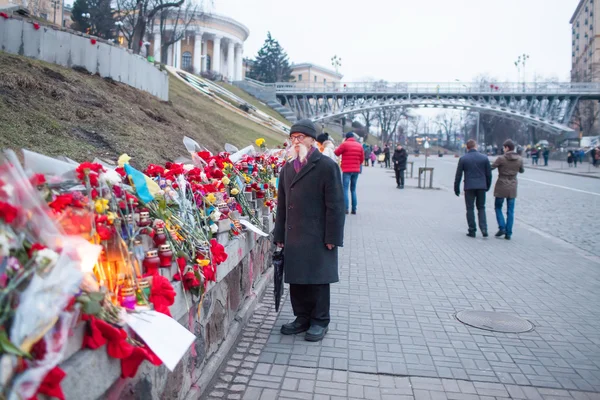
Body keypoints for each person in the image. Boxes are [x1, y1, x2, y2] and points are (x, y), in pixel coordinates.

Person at [274, 119, 345, 342]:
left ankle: (320, 320)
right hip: (294, 234)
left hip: (318, 234)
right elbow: (282, 204)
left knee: (317, 279)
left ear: (312, 140)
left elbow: (335, 205)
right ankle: (301, 318)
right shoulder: (287, 168)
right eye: (293, 138)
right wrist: (279, 236)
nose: (296, 142)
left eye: (300, 137)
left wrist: (332, 236)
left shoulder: (326, 166)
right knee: (296, 279)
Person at [454, 139, 492, 238]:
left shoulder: (463, 159)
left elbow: (458, 175)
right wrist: (487, 185)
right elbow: (489, 174)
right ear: (475, 147)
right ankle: (484, 228)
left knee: (470, 208)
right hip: (481, 187)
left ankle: (472, 230)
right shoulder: (484, 158)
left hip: (469, 186)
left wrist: (456, 188)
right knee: (481, 207)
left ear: (467, 147)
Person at [491, 139, 524, 241]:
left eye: (504, 147)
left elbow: (491, 167)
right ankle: (508, 233)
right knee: (510, 211)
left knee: (498, 207)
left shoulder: (501, 158)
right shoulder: (519, 159)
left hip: (501, 185)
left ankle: (502, 227)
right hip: (513, 186)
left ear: (507, 148)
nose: (503, 149)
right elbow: (522, 170)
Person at [334, 132, 364, 215]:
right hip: (356, 170)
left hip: (346, 170)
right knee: (353, 189)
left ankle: (345, 209)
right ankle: (354, 209)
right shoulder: (359, 145)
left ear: (346, 138)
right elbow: (362, 159)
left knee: (345, 189)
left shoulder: (345, 144)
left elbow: (336, 153)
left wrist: (342, 143)